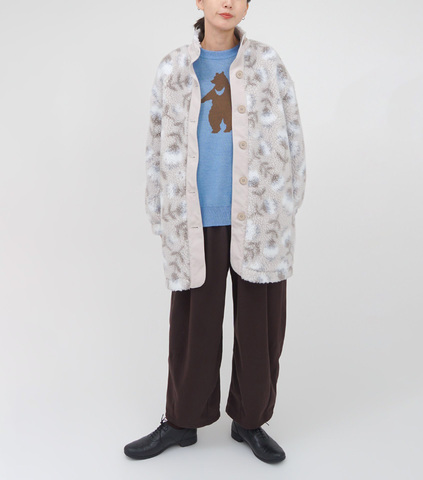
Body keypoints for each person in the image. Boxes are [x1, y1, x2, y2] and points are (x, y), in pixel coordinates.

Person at [124, 0, 306, 464]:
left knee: (260, 326)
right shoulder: (173, 69)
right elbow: (155, 142)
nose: (227, 2)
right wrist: (158, 209)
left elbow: (293, 132)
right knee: (193, 326)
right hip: (194, 217)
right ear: (199, 2)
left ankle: (250, 420)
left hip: (260, 215)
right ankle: (181, 420)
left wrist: (288, 202)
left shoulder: (267, 62)